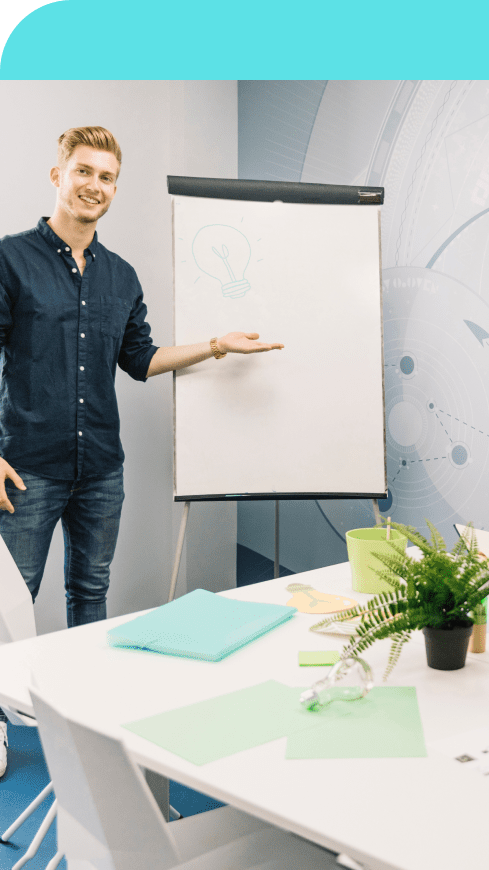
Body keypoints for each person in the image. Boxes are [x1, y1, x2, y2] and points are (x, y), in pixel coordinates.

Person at [0, 126, 283, 777]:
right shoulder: (11, 261)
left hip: (100, 469)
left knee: (90, 598)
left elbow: (140, 359)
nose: (94, 185)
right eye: (83, 172)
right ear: (58, 175)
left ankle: (87, 727)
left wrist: (216, 344)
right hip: (27, 469)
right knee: (10, 607)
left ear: (115, 188)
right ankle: (2, 728)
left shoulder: (121, 277)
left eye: (106, 177)